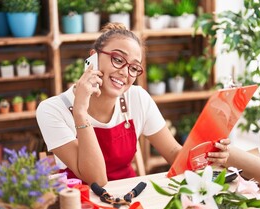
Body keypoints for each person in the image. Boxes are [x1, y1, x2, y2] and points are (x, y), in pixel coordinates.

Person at [36, 23, 230, 187]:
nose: (124, 72)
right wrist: (80, 112)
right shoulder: (52, 110)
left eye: (134, 67)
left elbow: (173, 153)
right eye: (118, 60)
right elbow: (96, 180)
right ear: (93, 57)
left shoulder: (137, 98)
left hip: (130, 195)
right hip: (82, 205)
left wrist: (207, 153)